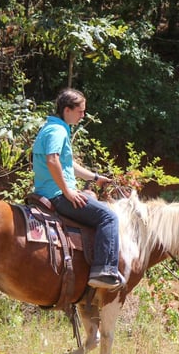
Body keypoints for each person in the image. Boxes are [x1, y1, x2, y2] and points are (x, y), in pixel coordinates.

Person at [32, 88, 124, 290]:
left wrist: (96, 178)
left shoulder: (50, 127)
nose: (83, 115)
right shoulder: (58, 131)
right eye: (80, 111)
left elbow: (67, 164)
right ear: (67, 109)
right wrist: (68, 191)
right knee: (109, 218)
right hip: (57, 195)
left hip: (47, 191)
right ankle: (104, 270)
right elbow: (52, 160)